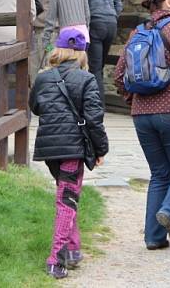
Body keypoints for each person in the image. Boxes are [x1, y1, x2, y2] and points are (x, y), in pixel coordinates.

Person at [114, 0, 170, 251]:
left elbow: (118, 75)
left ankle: (153, 237)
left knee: (159, 174)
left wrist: (133, 99)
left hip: (142, 115)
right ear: (167, 3)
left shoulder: (138, 31)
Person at [30, 27, 109, 280]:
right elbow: (94, 119)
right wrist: (101, 149)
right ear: (82, 53)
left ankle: (73, 250)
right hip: (73, 148)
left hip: (50, 148)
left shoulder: (43, 78)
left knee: (67, 196)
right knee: (67, 200)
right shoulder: (86, 80)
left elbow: (36, 107)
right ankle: (56, 259)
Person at [72, 0, 123, 106]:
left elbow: (76, 6)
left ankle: (97, 105)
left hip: (95, 24)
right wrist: (112, 16)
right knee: (99, 65)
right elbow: (118, 4)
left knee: (94, 67)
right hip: (111, 25)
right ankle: (96, 101)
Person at [27, 0, 55, 79]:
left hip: (47, 31)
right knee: (37, 62)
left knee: (45, 61)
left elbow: (56, 2)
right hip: (40, 30)